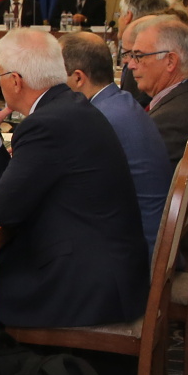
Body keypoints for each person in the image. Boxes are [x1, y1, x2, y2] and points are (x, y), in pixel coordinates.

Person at [0, 29, 149, 327]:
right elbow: (15, 192)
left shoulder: (47, 124)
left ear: (16, 81)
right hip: (109, 267)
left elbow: (3, 211)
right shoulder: (70, 106)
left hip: (87, 283)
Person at [61, 31, 172, 248]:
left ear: (78, 78)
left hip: (135, 249)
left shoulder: (97, 119)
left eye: (55, 76)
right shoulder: (121, 102)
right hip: (149, 235)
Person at [124, 15, 188, 158]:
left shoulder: (170, 121)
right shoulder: (185, 98)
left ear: (170, 62)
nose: (131, 65)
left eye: (139, 56)